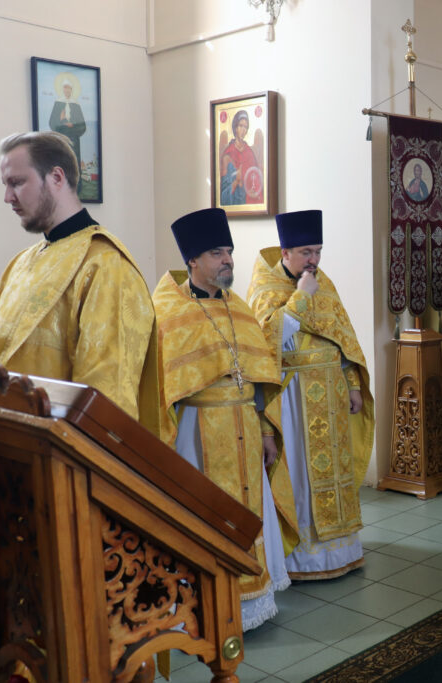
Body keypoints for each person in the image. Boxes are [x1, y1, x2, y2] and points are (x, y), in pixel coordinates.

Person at [152, 208, 298, 630]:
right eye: (217, 253)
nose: (228, 260)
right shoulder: (168, 311)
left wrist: (266, 430)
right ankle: (203, 605)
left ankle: (252, 598)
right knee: (202, 514)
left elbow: (260, 379)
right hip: (195, 436)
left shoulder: (240, 308)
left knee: (249, 510)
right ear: (193, 260)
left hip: (245, 431)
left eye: (229, 252)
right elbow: (160, 387)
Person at [0, 131, 155, 424]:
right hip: (9, 433)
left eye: (17, 182)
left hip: (54, 444)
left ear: (56, 177)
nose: (7, 197)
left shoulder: (105, 266)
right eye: (6, 185)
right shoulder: (24, 261)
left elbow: (106, 396)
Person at [247, 209, 375, 580]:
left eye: (318, 251)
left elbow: (341, 337)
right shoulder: (264, 289)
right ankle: (302, 558)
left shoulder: (323, 283)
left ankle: (341, 551)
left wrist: (352, 384)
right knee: (301, 477)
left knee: (335, 473)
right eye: (306, 252)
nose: (314, 260)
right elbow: (266, 344)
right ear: (285, 252)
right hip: (292, 399)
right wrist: (301, 298)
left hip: (331, 395)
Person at [220, 110, 261, 206]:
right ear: (235, 128)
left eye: (245, 127)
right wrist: (236, 181)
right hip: (234, 201)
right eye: (241, 126)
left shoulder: (249, 153)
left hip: (249, 200)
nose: (243, 130)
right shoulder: (228, 154)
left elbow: (256, 180)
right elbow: (223, 193)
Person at [49, 79, 86, 171]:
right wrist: (63, 122)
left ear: (71, 90)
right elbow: (52, 123)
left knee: (74, 168)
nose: (67, 90)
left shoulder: (76, 105)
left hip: (74, 142)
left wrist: (70, 125)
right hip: (61, 141)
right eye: (65, 88)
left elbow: (82, 127)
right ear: (62, 89)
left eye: (69, 88)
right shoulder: (58, 103)